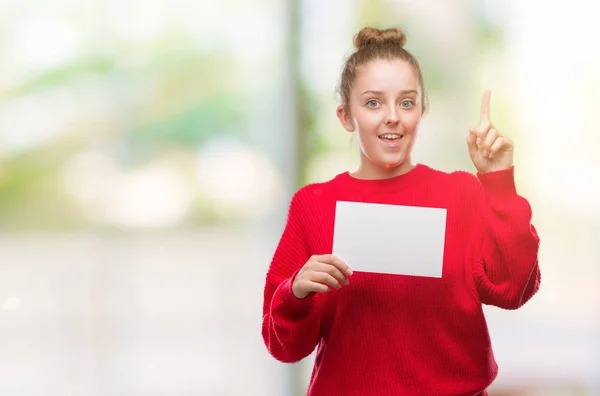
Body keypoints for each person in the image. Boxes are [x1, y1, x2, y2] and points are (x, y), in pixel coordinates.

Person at [261, 26, 541, 396]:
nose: (393, 116)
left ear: (420, 111)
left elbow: (513, 288)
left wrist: (498, 182)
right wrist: (295, 291)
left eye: (406, 102)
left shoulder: (460, 193)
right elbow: (285, 347)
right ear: (346, 116)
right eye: (373, 102)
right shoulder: (313, 206)